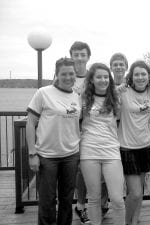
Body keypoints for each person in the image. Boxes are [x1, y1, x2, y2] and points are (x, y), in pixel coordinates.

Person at [26, 57, 81, 225]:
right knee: (47, 200)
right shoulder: (43, 92)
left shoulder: (77, 96)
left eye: (71, 74)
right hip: (47, 156)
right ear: (56, 74)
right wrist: (32, 153)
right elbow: (30, 123)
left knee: (66, 200)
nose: (68, 77)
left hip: (71, 155)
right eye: (63, 74)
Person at [80, 63, 125, 225]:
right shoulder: (82, 98)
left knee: (117, 199)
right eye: (99, 76)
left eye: (106, 77)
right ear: (91, 79)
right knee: (93, 198)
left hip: (111, 151)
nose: (103, 80)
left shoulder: (116, 98)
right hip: (89, 152)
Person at [118, 60, 150, 225]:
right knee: (134, 192)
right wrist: (115, 90)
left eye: (143, 74)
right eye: (137, 74)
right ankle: (127, 222)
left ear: (149, 76)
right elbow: (105, 98)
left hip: (146, 146)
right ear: (131, 77)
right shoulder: (123, 92)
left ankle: (135, 221)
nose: (140, 77)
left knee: (139, 191)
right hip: (128, 148)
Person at [69, 41, 92, 224]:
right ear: (71, 56)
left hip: (89, 128)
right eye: (75, 54)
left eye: (82, 54)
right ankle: (80, 205)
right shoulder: (65, 75)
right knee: (76, 171)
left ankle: (90, 205)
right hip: (69, 129)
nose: (79, 58)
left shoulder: (92, 77)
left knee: (86, 170)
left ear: (88, 57)